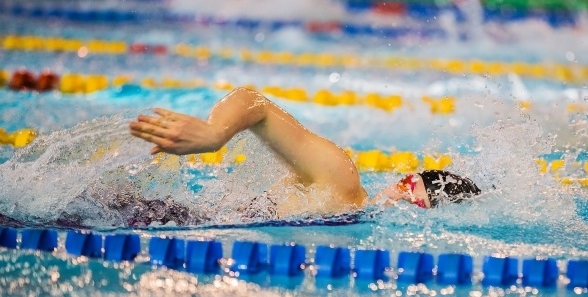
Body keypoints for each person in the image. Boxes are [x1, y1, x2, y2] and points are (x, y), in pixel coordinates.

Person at [129, 87, 481, 222]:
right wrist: (214, 134)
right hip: (162, 218)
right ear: (406, 187)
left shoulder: (348, 215)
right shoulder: (343, 183)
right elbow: (255, 103)